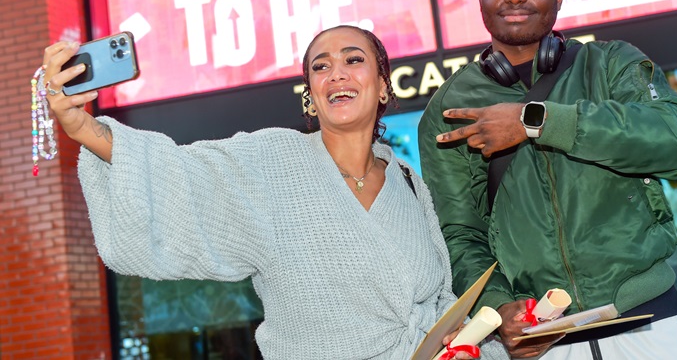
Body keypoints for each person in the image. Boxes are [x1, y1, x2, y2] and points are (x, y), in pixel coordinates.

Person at [40, 25, 508, 360]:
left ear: (383, 86)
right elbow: (179, 175)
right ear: (311, 94)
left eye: (353, 59)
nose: (336, 74)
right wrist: (81, 125)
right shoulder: (271, 164)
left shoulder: (408, 181)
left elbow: (441, 297)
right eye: (320, 67)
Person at [418, 0, 677, 359]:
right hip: (544, 340)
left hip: (650, 322)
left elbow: (675, 139)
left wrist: (536, 121)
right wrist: (498, 305)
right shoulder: (449, 106)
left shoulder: (611, 64)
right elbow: (459, 232)